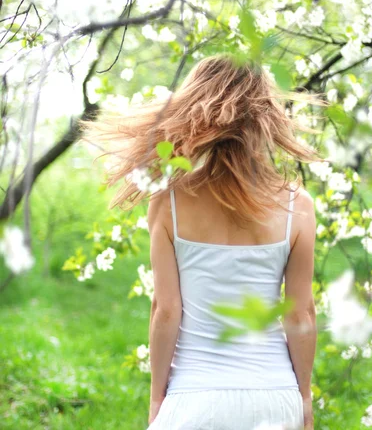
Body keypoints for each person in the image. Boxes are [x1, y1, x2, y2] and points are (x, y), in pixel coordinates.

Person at [80, 54, 327, 430]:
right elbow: (300, 314)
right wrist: (303, 401)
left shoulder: (168, 202)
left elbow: (165, 310)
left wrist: (156, 399)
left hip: (194, 399)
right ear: (264, 116)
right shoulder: (298, 205)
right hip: (275, 396)